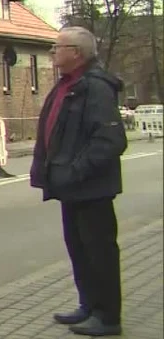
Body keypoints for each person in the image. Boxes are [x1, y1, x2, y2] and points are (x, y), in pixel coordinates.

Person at [30, 26, 127, 336]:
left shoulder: (95, 87)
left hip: (91, 188)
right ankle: (89, 305)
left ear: (76, 53)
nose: (52, 52)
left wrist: (76, 170)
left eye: (57, 47)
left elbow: (110, 140)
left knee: (99, 253)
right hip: (71, 188)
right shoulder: (68, 84)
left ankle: (107, 317)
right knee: (79, 250)